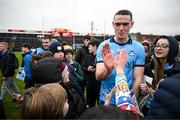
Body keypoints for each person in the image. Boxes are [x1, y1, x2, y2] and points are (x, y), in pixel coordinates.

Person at [96, 9, 145, 105]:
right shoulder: (104, 46)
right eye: (118, 24)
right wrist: (109, 69)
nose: (121, 28)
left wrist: (132, 102)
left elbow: (137, 79)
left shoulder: (138, 47)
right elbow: (98, 77)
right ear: (113, 24)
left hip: (127, 100)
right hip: (107, 100)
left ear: (131, 24)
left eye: (125, 24)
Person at [139, 36, 179, 116]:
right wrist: (144, 90)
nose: (158, 48)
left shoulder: (177, 72)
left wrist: (160, 95)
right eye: (157, 45)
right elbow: (142, 92)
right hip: (146, 111)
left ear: (172, 49)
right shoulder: (147, 67)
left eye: (164, 46)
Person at [83, 40, 101, 107]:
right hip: (90, 84)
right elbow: (83, 67)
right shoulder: (87, 56)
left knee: (100, 103)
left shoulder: (101, 56)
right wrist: (87, 69)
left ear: (95, 47)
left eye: (90, 47)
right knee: (90, 104)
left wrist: (97, 69)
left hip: (99, 84)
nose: (88, 48)